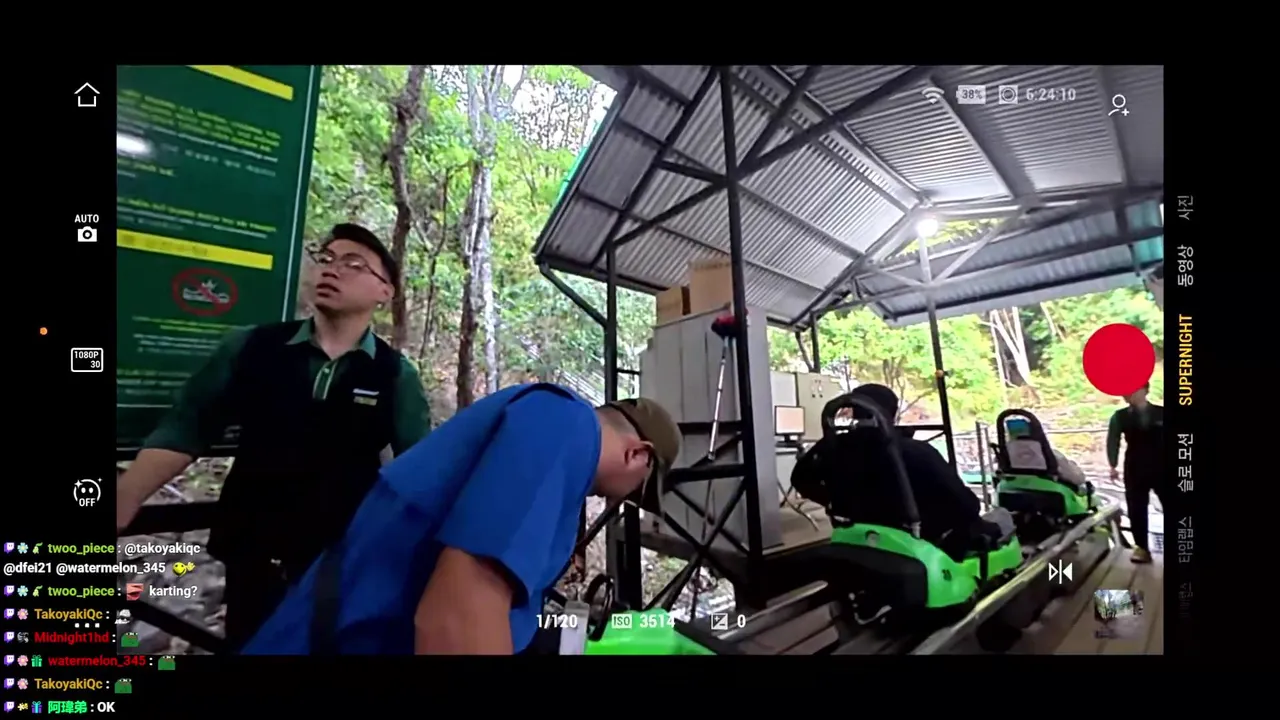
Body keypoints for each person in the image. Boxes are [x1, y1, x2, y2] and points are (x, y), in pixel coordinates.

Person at [115, 223, 431, 649]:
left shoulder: (394, 374)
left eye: (353, 264)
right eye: (326, 259)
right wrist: (127, 495)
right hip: (252, 549)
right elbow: (189, 427)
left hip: (337, 558)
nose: (332, 269)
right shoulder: (252, 347)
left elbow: (419, 469)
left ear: (384, 291)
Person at [240, 384, 681, 655]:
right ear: (637, 454)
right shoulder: (566, 424)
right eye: (639, 488)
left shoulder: (554, 437)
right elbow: (459, 616)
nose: (626, 498)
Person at [844, 384, 999, 556]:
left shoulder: (833, 448)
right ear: (892, 412)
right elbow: (966, 504)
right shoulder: (915, 452)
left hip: (856, 533)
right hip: (925, 539)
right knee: (1001, 518)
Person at [1106, 382, 1165, 564]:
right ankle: (1141, 547)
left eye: (1132, 389)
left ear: (1145, 390)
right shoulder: (1120, 416)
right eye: (1125, 391)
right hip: (1134, 466)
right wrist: (1113, 465)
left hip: (1163, 466)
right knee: (1136, 507)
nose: (1127, 394)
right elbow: (1113, 440)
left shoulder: (1161, 413)